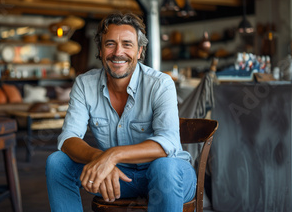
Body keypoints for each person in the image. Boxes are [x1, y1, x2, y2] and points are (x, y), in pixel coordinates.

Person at [46, 12, 196, 212]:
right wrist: (101, 159)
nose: (118, 52)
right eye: (110, 44)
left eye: (127, 44)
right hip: (117, 178)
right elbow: (68, 138)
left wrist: (112, 156)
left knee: (164, 167)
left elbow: (167, 144)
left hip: (170, 177)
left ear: (140, 51)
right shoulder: (84, 84)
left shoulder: (160, 83)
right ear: (99, 49)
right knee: (57, 163)